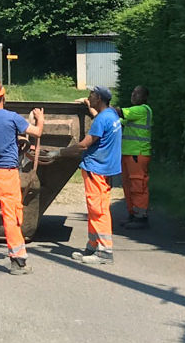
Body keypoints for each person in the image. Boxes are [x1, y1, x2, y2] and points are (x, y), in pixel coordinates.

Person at [41, 85, 121, 265]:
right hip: (106, 168)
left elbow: (83, 145)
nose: (89, 96)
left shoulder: (101, 120)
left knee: (97, 210)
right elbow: (98, 117)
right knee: (96, 208)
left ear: (99, 98)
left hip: (96, 169)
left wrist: (58, 152)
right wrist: (87, 105)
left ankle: (104, 251)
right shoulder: (111, 115)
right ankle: (93, 246)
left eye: (91, 95)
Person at [0, 81, 45, 275]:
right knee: (11, 217)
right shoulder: (12, 118)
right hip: (7, 175)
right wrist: (40, 119)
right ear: (4, 97)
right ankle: (18, 262)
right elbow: (36, 132)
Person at [117, 86, 152, 229]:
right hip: (130, 154)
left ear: (144, 97)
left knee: (138, 185)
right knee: (128, 185)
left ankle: (140, 217)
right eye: (133, 92)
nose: (133, 95)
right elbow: (119, 120)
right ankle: (133, 214)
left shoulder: (142, 109)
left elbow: (118, 112)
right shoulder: (135, 114)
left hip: (137, 154)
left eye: (137, 93)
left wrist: (103, 105)